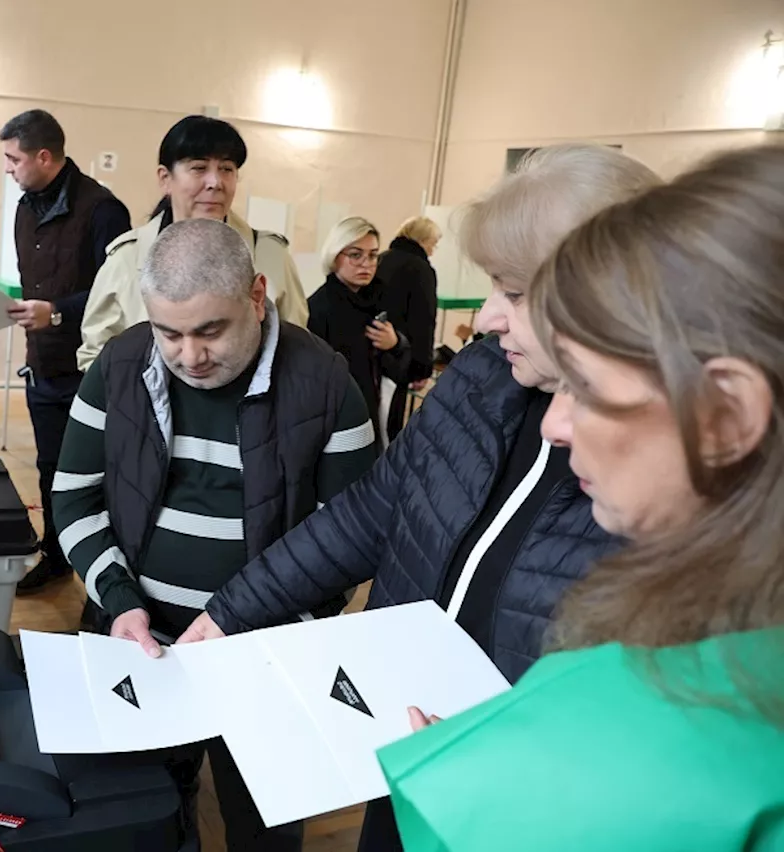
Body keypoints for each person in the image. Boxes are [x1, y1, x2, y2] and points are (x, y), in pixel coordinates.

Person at [175, 145, 662, 851]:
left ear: (605, 295)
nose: (489, 318)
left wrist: (508, 777)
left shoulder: (661, 470)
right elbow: (376, 510)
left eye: (515, 294)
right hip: (408, 739)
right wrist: (231, 611)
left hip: (517, 805)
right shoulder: (484, 375)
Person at [378, 142, 784, 851]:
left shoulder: (663, 710)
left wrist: (496, 801)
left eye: (587, 386)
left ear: (726, 413)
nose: (557, 425)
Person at [54, 218, 377, 851]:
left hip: (268, 656)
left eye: (211, 330)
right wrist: (120, 602)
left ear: (258, 296)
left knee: (266, 827)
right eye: (168, 332)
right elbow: (73, 498)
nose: (190, 356)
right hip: (139, 648)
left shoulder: (327, 383)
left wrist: (270, 631)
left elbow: (352, 538)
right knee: (139, 819)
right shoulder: (120, 366)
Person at [0, 109, 132, 593]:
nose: (8, 168)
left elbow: (115, 292)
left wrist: (54, 311)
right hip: (43, 365)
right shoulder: (24, 208)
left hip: (90, 369)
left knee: (101, 475)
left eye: (14, 159)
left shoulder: (103, 210)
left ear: (44, 156)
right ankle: (56, 555)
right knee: (49, 468)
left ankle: (107, 578)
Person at [77, 115, 309, 372]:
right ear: (165, 178)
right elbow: (96, 356)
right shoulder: (127, 258)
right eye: (199, 168)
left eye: (227, 169)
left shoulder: (269, 255)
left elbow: (297, 352)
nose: (215, 183)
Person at [307, 216, 410, 449]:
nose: (366, 263)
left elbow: (403, 367)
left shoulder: (382, 298)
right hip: (339, 423)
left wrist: (395, 344)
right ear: (335, 256)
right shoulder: (319, 308)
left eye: (373, 255)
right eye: (355, 255)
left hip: (381, 415)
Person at [377, 216, 440, 441]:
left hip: (374, 354)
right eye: (433, 243)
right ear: (422, 240)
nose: (433, 250)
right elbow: (424, 322)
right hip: (401, 357)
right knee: (391, 425)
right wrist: (422, 367)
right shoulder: (421, 269)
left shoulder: (381, 260)